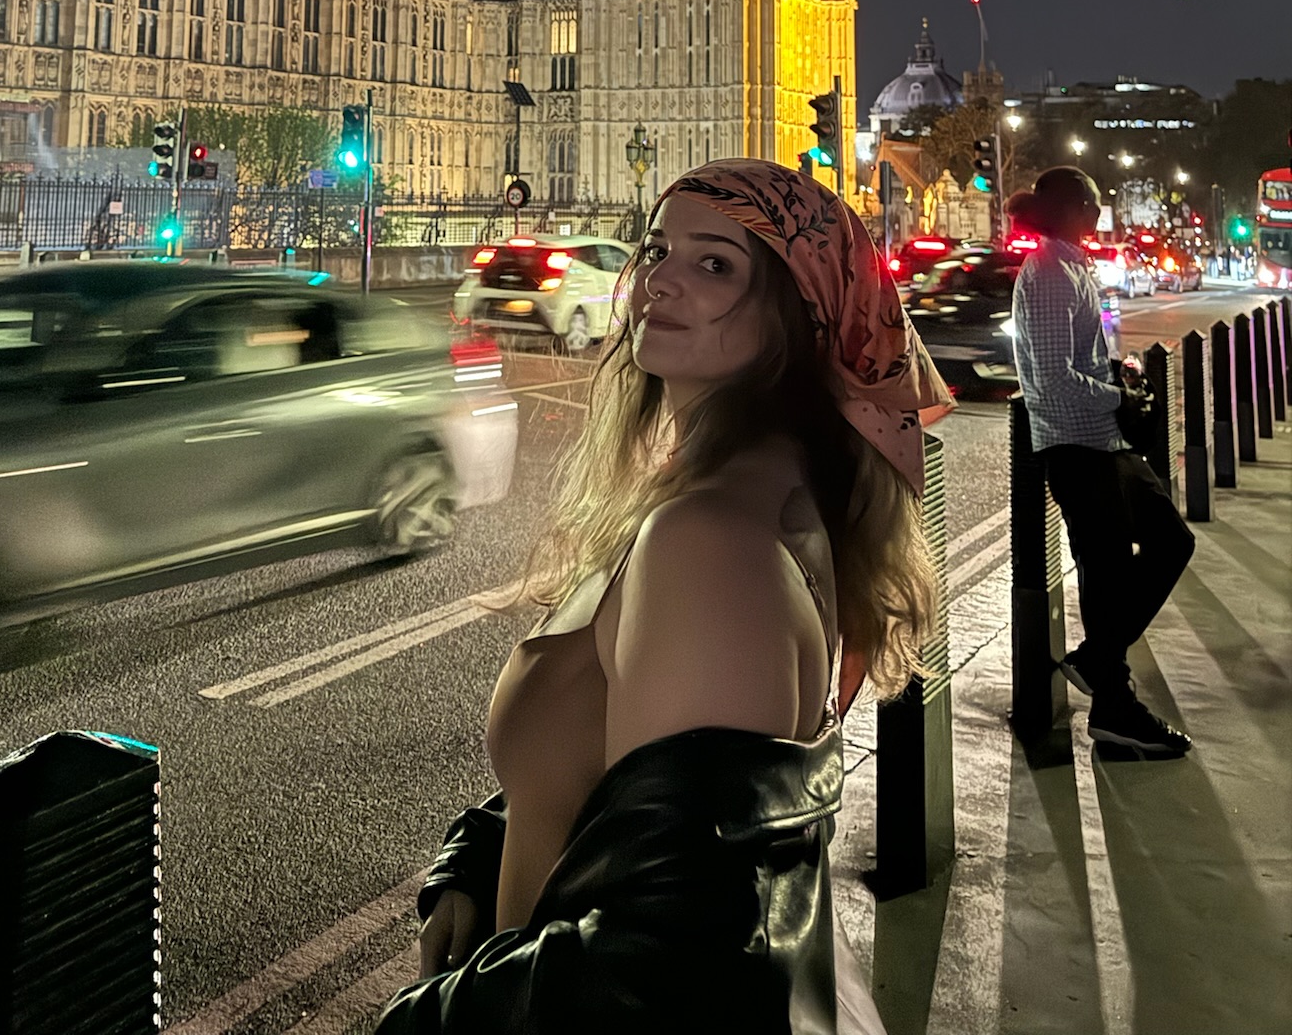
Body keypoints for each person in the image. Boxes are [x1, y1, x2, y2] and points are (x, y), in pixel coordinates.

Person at [375, 159, 952, 1033]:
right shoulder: (753, 485)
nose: (660, 279)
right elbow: (669, 795)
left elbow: (666, 967)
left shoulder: (709, 542)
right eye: (656, 250)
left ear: (795, 314)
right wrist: (491, 849)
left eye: (715, 264)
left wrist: (417, 1023)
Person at [1008, 166, 1195, 758]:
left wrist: (1118, 377)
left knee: (1163, 543)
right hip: (1075, 443)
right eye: (1092, 202)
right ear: (1071, 208)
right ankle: (1114, 705)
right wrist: (1120, 396)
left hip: (1102, 440)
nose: (1098, 212)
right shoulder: (1049, 273)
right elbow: (1056, 383)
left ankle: (1103, 673)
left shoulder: (1072, 267)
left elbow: (1077, 363)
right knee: (1108, 568)